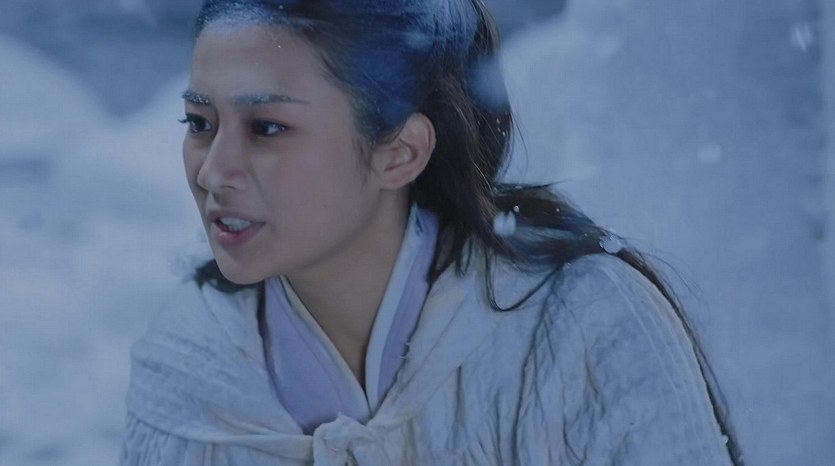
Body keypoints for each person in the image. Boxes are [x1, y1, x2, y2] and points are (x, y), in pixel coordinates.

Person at [121, 0, 741, 464]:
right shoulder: (189, 367)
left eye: (267, 128)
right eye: (199, 122)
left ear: (400, 152)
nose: (213, 171)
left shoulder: (582, 324)